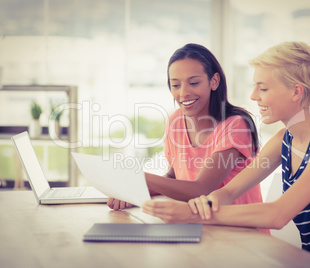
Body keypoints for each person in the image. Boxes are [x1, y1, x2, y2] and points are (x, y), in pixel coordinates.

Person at [142, 41, 310, 267]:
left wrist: (194, 216)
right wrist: (204, 204)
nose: (254, 96)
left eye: (263, 88)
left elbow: (277, 215)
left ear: (296, 92)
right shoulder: (283, 140)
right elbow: (229, 190)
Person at [108, 43, 264, 214]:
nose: (183, 93)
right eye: (175, 85)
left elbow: (201, 189)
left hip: (241, 231)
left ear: (214, 81)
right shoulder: (176, 121)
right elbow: (172, 179)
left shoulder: (236, 125)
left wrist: (138, 177)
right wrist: (132, 191)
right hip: (199, 225)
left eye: (194, 83)